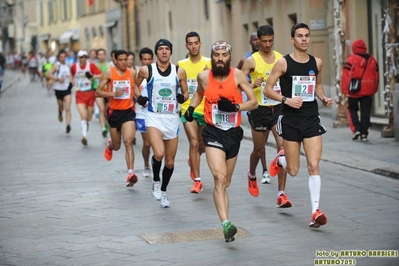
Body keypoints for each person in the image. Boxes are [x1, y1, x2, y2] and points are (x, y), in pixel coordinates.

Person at [184, 40, 258, 242]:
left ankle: (226, 222)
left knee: (226, 182)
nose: (219, 58)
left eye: (223, 55)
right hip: (213, 132)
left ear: (229, 57)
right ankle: (226, 224)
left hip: (233, 134)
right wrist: (191, 109)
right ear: (212, 56)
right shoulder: (204, 76)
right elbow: (199, 94)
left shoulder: (238, 75)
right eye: (216, 55)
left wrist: (235, 108)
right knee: (219, 177)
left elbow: (254, 102)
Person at [264, 23, 333, 228]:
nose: (304, 39)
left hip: (311, 118)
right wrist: (286, 100)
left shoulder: (317, 62)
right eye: (300, 36)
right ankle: (281, 160)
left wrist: (323, 98)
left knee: (313, 165)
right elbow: (268, 90)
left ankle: (315, 211)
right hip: (291, 120)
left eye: (307, 36)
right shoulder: (283, 64)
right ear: (293, 40)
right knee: (293, 170)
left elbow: (317, 84)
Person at [241, 25, 291, 208]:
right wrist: (252, 84)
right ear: (258, 41)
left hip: (278, 108)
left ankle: (281, 194)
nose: (268, 44)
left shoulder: (280, 59)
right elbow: (238, 84)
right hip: (259, 109)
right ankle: (252, 174)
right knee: (259, 150)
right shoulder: (251, 61)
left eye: (271, 40)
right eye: (264, 41)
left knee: (283, 149)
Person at [135, 39, 188, 208]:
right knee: (158, 153)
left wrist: (183, 97)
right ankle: (156, 181)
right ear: (156, 52)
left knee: (170, 162)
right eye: (161, 49)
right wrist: (139, 97)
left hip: (171, 118)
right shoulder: (146, 70)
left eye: (167, 49)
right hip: (154, 117)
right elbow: (135, 86)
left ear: (170, 52)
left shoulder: (179, 71)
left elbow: (186, 92)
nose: (164, 52)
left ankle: (164, 191)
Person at [95, 49, 138, 187]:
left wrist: (142, 99)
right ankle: (110, 145)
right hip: (114, 112)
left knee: (128, 142)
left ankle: (130, 173)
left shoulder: (132, 72)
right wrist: (112, 93)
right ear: (115, 60)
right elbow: (97, 92)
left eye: (126, 59)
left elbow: (135, 88)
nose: (124, 62)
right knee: (117, 145)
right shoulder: (109, 73)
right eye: (121, 60)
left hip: (128, 112)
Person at [178, 31, 211, 194]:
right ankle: (197, 181)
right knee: (194, 143)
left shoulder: (209, 62)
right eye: (190, 43)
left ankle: (193, 160)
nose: (193, 46)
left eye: (196, 43)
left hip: (206, 110)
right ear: (186, 46)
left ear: (200, 44)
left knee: (203, 145)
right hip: (188, 110)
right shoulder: (181, 64)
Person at [341, 38, 379, 142]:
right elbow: (377, 76)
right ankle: (364, 134)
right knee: (366, 111)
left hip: (355, 90)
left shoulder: (351, 60)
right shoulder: (372, 60)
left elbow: (346, 76)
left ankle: (356, 129)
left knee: (352, 109)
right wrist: (374, 89)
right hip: (368, 90)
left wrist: (345, 90)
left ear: (354, 48)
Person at [71, 50, 102, 146]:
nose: (83, 59)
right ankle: (84, 136)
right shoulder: (74, 67)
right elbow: (72, 74)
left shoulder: (91, 66)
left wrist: (92, 77)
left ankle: (87, 123)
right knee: (83, 115)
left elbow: (101, 75)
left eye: (85, 57)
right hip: (79, 94)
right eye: (81, 57)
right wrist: (71, 81)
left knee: (89, 117)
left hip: (90, 93)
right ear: (78, 58)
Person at [135, 47, 154, 178]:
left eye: (149, 59)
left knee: (156, 143)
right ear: (140, 60)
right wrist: (139, 99)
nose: (147, 62)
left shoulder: (157, 72)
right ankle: (146, 164)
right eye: (144, 59)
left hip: (156, 113)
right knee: (147, 143)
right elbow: (133, 88)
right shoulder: (137, 73)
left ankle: (156, 160)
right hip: (142, 113)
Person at [47, 49, 73, 133]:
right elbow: (49, 75)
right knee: (61, 106)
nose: (63, 58)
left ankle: (68, 125)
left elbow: (72, 76)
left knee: (68, 108)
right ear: (59, 58)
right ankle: (60, 112)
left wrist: (72, 82)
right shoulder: (56, 66)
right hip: (58, 89)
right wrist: (57, 79)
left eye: (64, 57)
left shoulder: (69, 66)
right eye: (61, 57)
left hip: (67, 89)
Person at [93, 48, 110, 138]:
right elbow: (91, 78)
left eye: (103, 54)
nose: (102, 56)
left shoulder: (109, 66)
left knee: (107, 111)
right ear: (97, 55)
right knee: (102, 109)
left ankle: (106, 123)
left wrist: (97, 76)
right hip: (98, 91)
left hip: (108, 91)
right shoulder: (94, 66)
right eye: (100, 54)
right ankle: (103, 128)